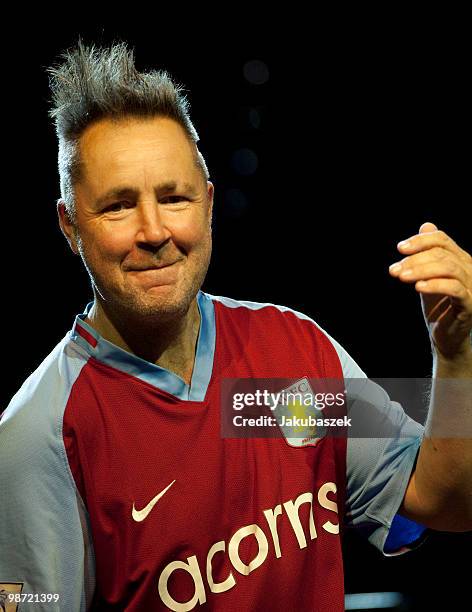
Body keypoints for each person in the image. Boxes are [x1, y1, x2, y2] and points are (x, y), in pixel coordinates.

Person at [0, 41, 471, 612]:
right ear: (70, 225)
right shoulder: (39, 435)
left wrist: (457, 354)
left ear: (209, 203)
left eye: (174, 197)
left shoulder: (286, 360)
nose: (154, 230)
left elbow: (444, 497)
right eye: (118, 206)